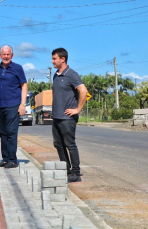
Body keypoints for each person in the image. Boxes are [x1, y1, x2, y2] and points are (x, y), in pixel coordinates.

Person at [0, 45, 28, 168]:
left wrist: (22, 104)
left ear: (12, 55)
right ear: (0, 55)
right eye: (4, 54)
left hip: (13, 105)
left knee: (11, 132)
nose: (6, 56)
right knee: (2, 133)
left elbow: (24, 85)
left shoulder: (17, 68)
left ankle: (13, 159)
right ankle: (5, 159)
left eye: (8, 54)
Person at [51, 48, 88, 182]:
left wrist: (77, 109)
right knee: (58, 145)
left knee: (69, 144)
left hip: (68, 118)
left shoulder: (71, 74)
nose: (52, 61)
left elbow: (83, 91)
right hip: (56, 117)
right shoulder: (56, 75)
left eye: (55, 59)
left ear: (63, 59)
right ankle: (65, 171)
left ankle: (76, 173)